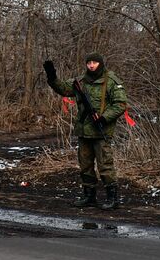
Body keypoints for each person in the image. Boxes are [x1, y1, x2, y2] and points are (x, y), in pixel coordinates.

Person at [43, 52, 128, 210]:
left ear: (100, 63)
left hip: (101, 130)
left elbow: (120, 104)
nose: (91, 65)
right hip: (84, 131)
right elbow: (64, 89)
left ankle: (113, 198)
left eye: (95, 62)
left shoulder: (111, 81)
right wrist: (52, 76)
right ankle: (89, 196)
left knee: (105, 165)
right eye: (89, 62)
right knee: (85, 165)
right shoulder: (80, 81)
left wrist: (103, 118)